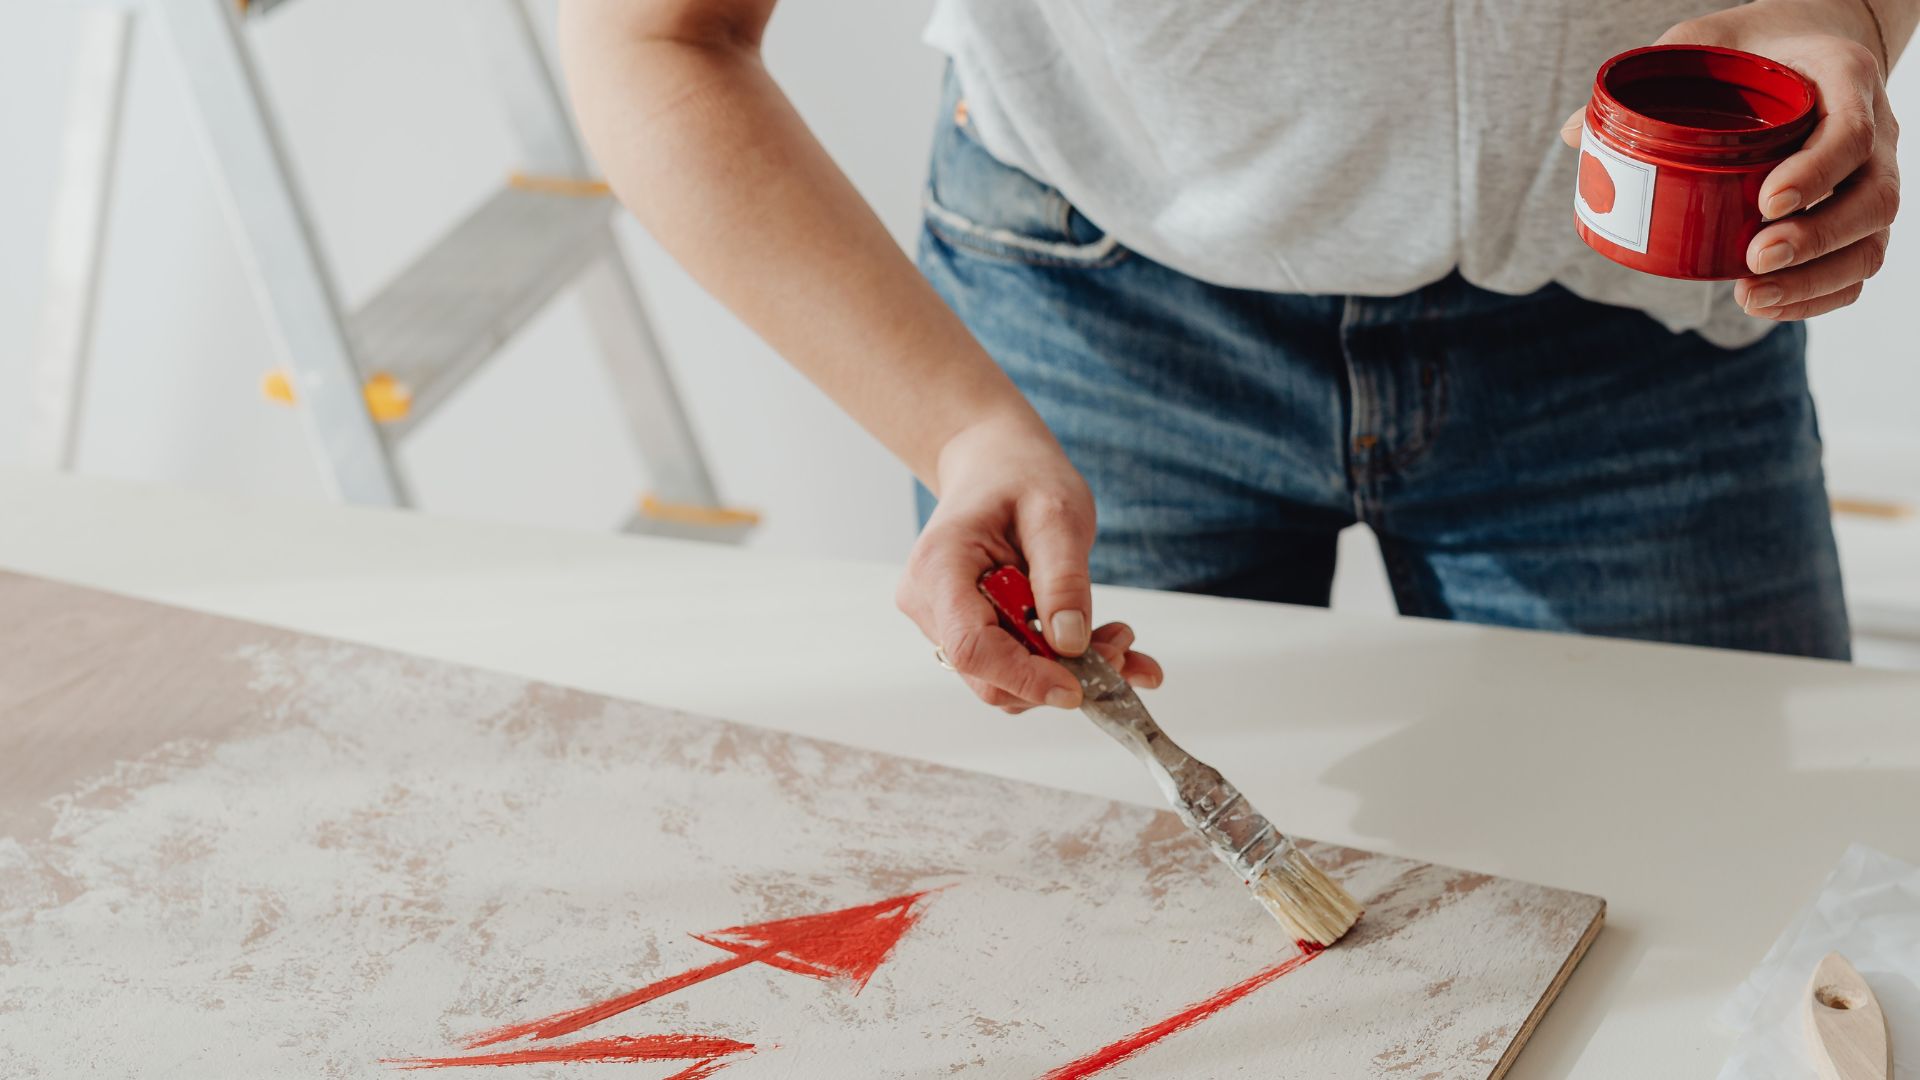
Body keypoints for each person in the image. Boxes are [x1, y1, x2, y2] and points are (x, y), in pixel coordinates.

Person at [559, 0, 1910, 712]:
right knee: (1110, 942)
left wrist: (1838, 9)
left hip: (1632, 327)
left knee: (1725, 932)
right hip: (1092, 327)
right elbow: (655, 31)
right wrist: (961, 428)